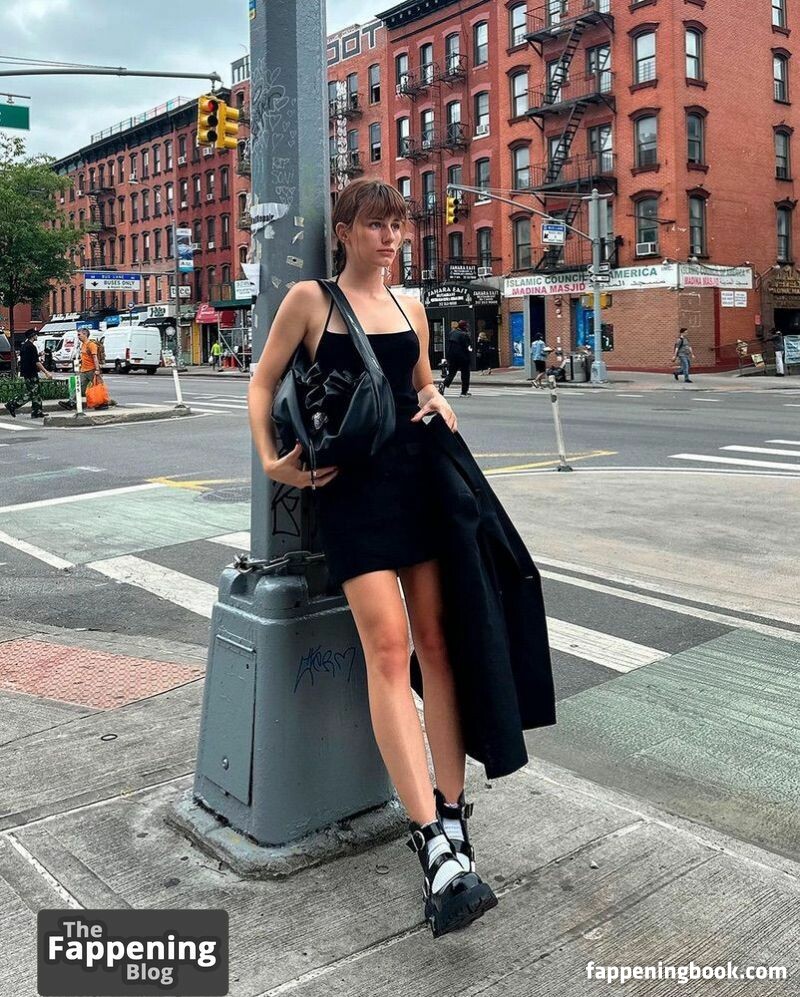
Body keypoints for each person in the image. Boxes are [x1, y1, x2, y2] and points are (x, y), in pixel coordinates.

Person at [248, 179, 499, 938]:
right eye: (375, 225)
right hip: (352, 497)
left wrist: (440, 400)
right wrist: (273, 462)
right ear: (346, 232)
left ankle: (453, 816)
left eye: (398, 225)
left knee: (437, 647)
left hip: (417, 486)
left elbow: (420, 385)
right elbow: (262, 382)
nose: (390, 237)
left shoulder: (411, 306)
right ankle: (431, 847)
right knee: (388, 651)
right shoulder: (311, 301)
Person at [4, 329, 52, 419]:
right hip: (31, 373)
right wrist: (46, 372)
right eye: (36, 334)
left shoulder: (24, 346)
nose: (37, 336)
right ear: (32, 336)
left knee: (36, 393)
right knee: (32, 392)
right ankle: (12, 404)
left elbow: (29, 358)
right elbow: (36, 362)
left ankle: (37, 412)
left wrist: (39, 354)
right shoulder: (31, 347)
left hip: (26, 372)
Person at [59, 328, 104, 410]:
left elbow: (95, 357)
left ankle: (102, 403)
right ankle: (71, 402)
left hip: (92, 370)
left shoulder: (91, 345)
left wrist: (97, 370)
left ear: (85, 334)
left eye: (79, 334)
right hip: (84, 370)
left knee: (98, 387)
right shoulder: (83, 345)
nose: (78, 336)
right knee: (78, 386)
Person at [440, 319, 472, 397]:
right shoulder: (464, 335)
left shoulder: (452, 333)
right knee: (465, 374)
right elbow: (468, 347)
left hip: (452, 357)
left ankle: (444, 384)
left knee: (451, 373)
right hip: (463, 357)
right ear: (464, 327)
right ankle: (464, 392)